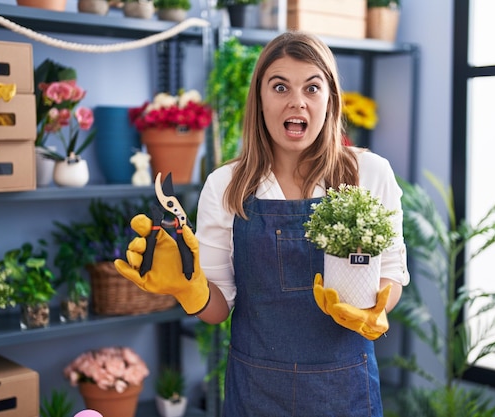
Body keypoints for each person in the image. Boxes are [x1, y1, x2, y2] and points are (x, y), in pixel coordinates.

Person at [115, 30, 410, 417]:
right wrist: (190, 290)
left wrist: (377, 308)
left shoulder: (369, 173)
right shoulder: (226, 185)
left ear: (330, 99)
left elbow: (390, 272)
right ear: (259, 98)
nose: (297, 102)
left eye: (312, 88)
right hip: (256, 393)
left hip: (345, 390)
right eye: (280, 87)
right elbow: (219, 307)